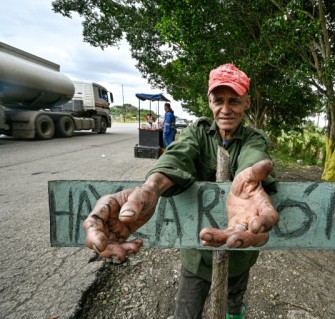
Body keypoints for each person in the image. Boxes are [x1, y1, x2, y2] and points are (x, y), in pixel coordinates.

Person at [83, 63, 279, 319]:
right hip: (195, 251)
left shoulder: (255, 138)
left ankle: (234, 310)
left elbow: (254, 160)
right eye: (218, 100)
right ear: (209, 102)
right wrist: (151, 189)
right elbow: (178, 156)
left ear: (247, 103)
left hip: (240, 247)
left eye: (234, 101)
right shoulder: (197, 131)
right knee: (186, 312)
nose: (226, 109)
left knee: (234, 299)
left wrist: (249, 184)